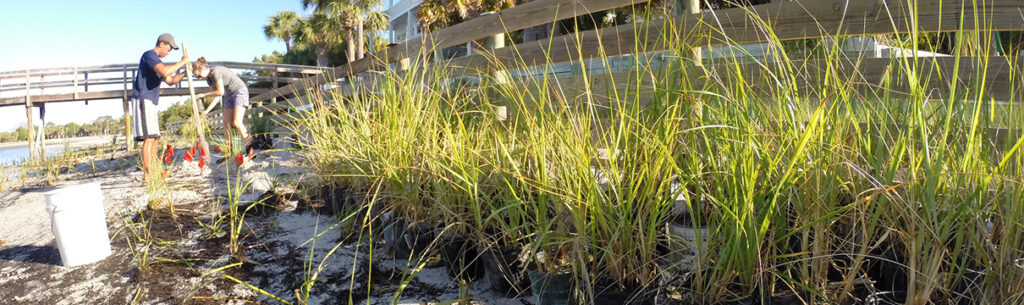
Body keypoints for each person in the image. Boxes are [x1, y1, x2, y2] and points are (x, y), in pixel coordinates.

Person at [131, 33, 189, 183]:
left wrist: (184, 72)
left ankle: (155, 170)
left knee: (155, 138)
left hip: (151, 102)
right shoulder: (149, 56)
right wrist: (182, 62)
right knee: (148, 139)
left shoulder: (157, 62)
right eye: (169, 48)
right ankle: (148, 176)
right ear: (162, 44)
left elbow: (170, 80)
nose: (168, 52)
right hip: (143, 99)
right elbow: (165, 71)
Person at [192, 57, 251, 155]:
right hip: (229, 95)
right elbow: (216, 96)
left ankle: (249, 147)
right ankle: (228, 149)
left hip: (240, 91)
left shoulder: (215, 71)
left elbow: (220, 92)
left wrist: (204, 95)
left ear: (202, 69)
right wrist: (206, 111)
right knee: (225, 123)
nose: (199, 78)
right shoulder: (209, 80)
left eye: (198, 75)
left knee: (237, 122)